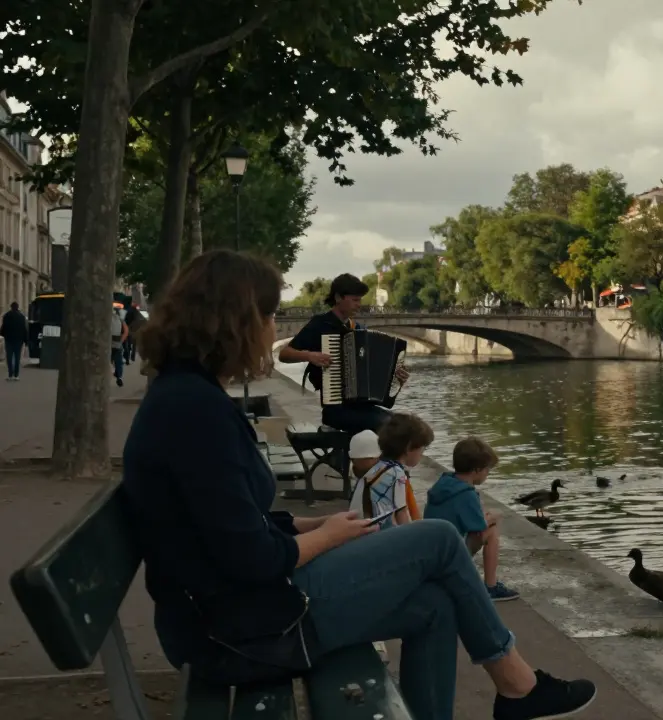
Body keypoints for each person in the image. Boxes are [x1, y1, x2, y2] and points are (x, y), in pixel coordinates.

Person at [121, 250, 596, 720]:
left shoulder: (186, 398)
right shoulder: (196, 412)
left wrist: (316, 521)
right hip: (237, 631)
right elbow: (252, 556)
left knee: (434, 604)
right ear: (234, 323)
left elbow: (231, 524)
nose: (272, 328)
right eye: (267, 314)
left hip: (228, 610)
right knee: (438, 537)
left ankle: (507, 693)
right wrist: (327, 538)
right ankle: (518, 687)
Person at [277, 274, 409, 435]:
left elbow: (373, 373)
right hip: (336, 409)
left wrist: (395, 378)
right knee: (388, 426)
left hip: (361, 406)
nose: (359, 305)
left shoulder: (357, 329)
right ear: (339, 297)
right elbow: (284, 354)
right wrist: (310, 356)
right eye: (355, 300)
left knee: (404, 424)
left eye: (360, 300)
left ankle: (380, 460)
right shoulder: (320, 324)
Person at [426, 436, 519, 602]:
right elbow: (478, 527)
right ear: (476, 470)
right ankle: (491, 587)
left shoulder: (445, 483)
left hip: (433, 551)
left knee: (487, 521)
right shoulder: (466, 494)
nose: (487, 474)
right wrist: (493, 517)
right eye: (487, 469)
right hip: (450, 556)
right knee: (492, 529)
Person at [349, 413, 433, 529]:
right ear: (409, 447)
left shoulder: (379, 466)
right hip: (373, 536)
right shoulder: (396, 474)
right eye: (422, 450)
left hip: (358, 529)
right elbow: (401, 514)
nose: (421, 455)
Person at [1, 302, 27, 381]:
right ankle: (16, 375)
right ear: (17, 307)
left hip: (9, 340)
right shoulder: (22, 317)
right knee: (17, 357)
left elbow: (3, 328)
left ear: (11, 307)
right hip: (18, 340)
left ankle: (10, 374)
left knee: (9, 357)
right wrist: (26, 340)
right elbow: (24, 329)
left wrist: (4, 334)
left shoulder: (6, 316)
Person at [110, 306, 129, 387]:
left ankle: (112, 372)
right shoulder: (121, 319)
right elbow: (126, 331)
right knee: (119, 361)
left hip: (109, 344)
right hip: (117, 343)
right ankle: (119, 377)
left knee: (109, 361)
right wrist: (121, 341)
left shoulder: (106, 318)